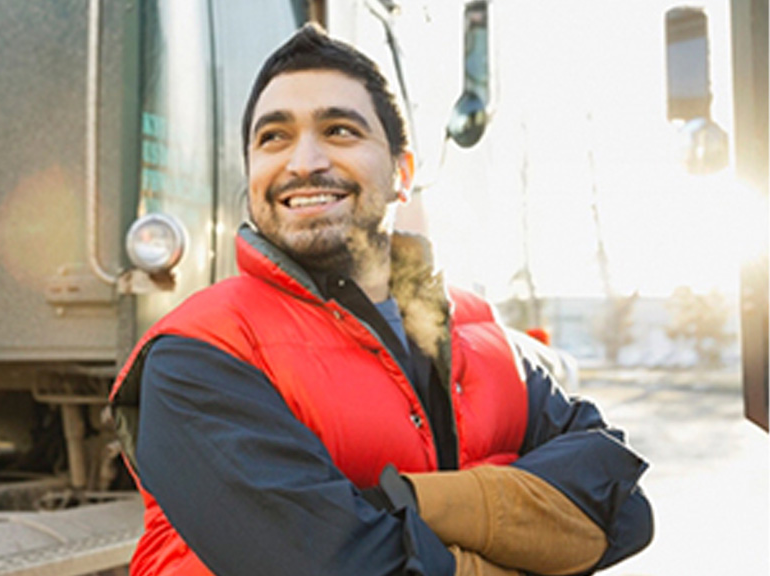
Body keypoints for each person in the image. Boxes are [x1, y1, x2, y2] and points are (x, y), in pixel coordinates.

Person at [110, 24, 652, 576]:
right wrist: (522, 537)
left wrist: (406, 504)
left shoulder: (480, 333)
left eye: (339, 130)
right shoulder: (198, 352)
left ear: (403, 172)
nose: (303, 162)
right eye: (273, 138)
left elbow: (625, 509)